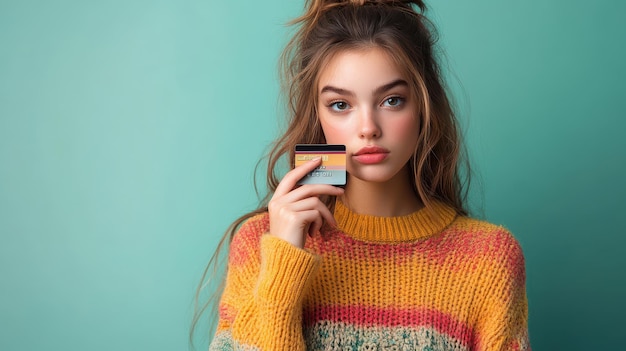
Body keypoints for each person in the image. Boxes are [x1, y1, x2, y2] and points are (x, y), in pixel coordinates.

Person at [195, 0, 530, 350]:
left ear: (424, 105)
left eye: (392, 100)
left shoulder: (488, 258)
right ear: (318, 115)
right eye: (341, 105)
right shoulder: (259, 245)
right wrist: (282, 268)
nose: (368, 128)